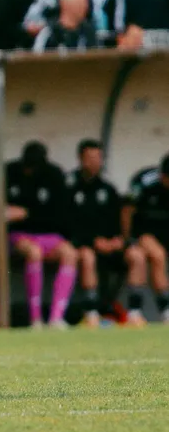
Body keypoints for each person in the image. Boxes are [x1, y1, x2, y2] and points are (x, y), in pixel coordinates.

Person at [67, 140, 148, 327]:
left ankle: (135, 313)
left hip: (110, 245)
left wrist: (119, 240)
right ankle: (91, 313)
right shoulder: (70, 186)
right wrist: (92, 241)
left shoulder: (108, 189)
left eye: (98, 158)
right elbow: (68, 223)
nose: (95, 162)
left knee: (136, 256)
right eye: (90, 158)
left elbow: (117, 221)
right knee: (87, 257)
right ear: (81, 159)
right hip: (85, 245)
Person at [6, 142, 78, 329]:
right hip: (19, 235)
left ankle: (56, 317)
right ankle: (35, 318)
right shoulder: (9, 172)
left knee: (70, 253)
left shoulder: (54, 175)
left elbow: (60, 213)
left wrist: (27, 213)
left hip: (49, 234)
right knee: (34, 252)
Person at [129, 154, 169, 323]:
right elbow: (127, 210)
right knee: (145, 256)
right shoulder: (145, 183)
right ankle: (137, 312)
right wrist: (128, 239)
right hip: (142, 236)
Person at [32, 0, 98, 52]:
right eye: (80, 3)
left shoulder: (89, 31)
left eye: (86, 3)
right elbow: (36, 57)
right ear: (64, 4)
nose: (85, 7)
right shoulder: (49, 32)